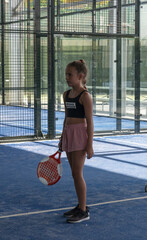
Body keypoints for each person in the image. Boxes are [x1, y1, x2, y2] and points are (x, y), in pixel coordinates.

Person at [59, 59, 94, 223]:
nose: (66, 77)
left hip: (80, 136)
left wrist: (89, 145)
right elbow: (66, 118)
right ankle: (80, 206)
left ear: (80, 76)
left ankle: (83, 210)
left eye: (69, 74)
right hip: (68, 135)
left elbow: (90, 122)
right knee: (74, 173)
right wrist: (61, 138)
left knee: (78, 174)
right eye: (66, 74)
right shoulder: (66, 95)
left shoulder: (85, 96)